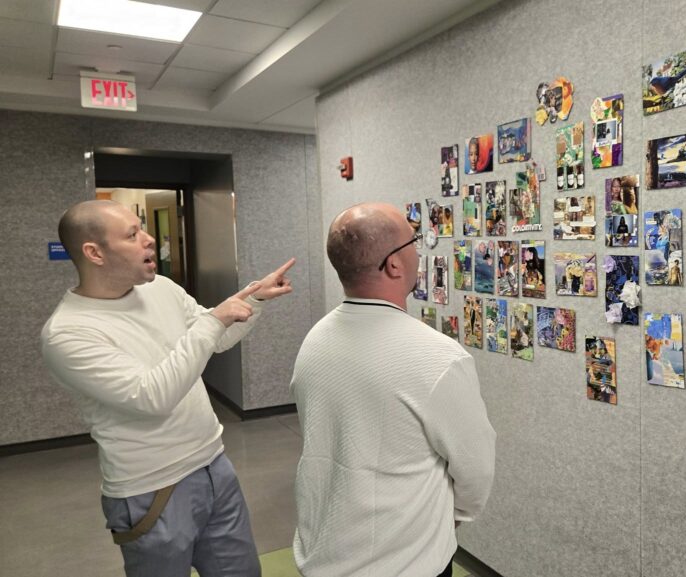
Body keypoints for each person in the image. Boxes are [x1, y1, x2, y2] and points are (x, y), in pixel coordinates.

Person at [40, 200, 295, 577]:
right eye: (132, 235)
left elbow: (216, 337)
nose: (148, 240)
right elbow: (152, 397)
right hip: (151, 490)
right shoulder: (68, 333)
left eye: (141, 229)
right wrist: (214, 321)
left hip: (214, 467)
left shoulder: (160, 288)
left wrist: (253, 300)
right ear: (94, 253)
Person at [291, 203, 495, 577]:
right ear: (394, 265)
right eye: (413, 241)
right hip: (406, 566)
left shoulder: (315, 340)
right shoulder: (439, 358)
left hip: (322, 558)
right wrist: (448, 520)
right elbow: (476, 471)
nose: (419, 251)